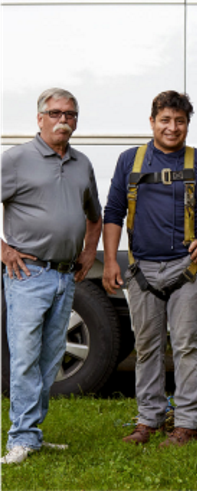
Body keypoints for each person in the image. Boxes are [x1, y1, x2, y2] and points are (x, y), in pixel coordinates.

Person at [103, 90, 197, 447]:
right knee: (147, 347)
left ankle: (187, 424)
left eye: (179, 121)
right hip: (141, 271)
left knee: (186, 346)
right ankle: (148, 420)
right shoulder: (129, 162)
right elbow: (113, 212)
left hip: (186, 269)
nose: (172, 127)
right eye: (165, 120)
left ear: (187, 125)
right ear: (152, 122)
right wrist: (110, 260)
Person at [0, 88, 102, 464]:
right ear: (40, 118)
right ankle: (20, 437)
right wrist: (4, 250)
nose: (65, 119)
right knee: (25, 357)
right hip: (28, 274)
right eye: (56, 112)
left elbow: (95, 216)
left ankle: (33, 434)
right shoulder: (16, 159)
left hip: (63, 277)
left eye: (71, 114)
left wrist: (89, 253)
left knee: (50, 358)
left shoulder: (81, 164)